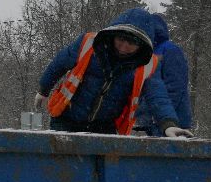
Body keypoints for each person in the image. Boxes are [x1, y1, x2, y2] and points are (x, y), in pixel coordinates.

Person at [33, 8, 194, 137]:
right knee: (64, 166)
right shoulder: (88, 44)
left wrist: (168, 125)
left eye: (131, 43)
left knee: (98, 171)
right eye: (121, 39)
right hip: (66, 117)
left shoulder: (147, 66)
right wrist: (43, 89)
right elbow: (59, 63)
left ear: (143, 45)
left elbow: (158, 97)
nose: (124, 46)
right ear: (112, 35)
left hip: (104, 126)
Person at [134, 13, 193, 136]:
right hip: (153, 121)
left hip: (173, 122)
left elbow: (175, 87)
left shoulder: (170, 50)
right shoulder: (146, 52)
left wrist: (163, 118)